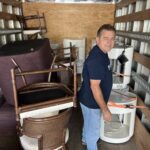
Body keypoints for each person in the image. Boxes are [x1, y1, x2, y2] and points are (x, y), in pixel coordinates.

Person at [78, 24, 116, 150]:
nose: (110, 42)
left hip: (87, 98)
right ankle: (90, 144)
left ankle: (85, 139)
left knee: (89, 124)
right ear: (98, 39)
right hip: (91, 102)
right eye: (106, 38)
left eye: (112, 38)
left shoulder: (101, 52)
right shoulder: (97, 59)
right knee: (93, 131)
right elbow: (95, 87)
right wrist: (105, 109)